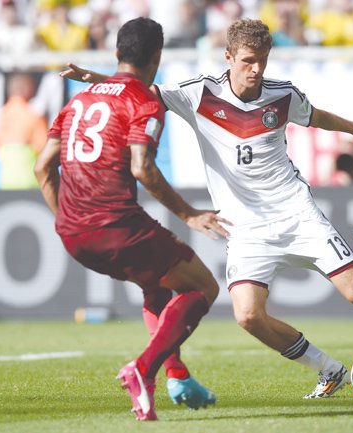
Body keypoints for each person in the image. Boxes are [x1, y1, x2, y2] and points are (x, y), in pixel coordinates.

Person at [61, 18, 353, 400]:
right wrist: (93, 77)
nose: (256, 69)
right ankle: (328, 370)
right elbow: (135, 90)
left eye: (263, 60)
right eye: (248, 60)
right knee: (248, 317)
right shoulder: (198, 94)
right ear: (228, 57)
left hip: (295, 213)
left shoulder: (283, 95)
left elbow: (317, 117)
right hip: (244, 228)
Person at [34, 17, 229, 421]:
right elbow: (143, 168)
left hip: (72, 233)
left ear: (117, 52)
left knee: (155, 289)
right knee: (203, 287)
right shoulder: (144, 101)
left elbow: (41, 167)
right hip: (116, 226)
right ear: (157, 57)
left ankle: (178, 376)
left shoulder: (79, 100)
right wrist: (188, 214)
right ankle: (143, 370)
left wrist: (65, 219)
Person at [0, 72, 47, 190]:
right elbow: (44, 149)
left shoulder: (0, 114)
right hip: (31, 180)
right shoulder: (33, 114)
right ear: (26, 88)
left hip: (6, 180)